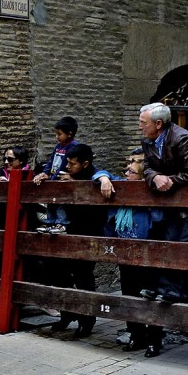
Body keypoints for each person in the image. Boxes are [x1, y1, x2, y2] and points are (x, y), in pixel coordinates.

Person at [137, 102, 188, 304]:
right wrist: (155, 177)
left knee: (183, 245)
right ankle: (163, 288)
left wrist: (170, 181)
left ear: (158, 123)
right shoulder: (148, 140)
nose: (140, 127)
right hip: (169, 204)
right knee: (167, 242)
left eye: (143, 123)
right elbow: (147, 167)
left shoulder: (184, 139)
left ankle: (180, 292)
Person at [101, 150, 167, 357]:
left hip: (147, 254)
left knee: (149, 296)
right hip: (125, 253)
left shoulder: (152, 189)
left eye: (135, 163)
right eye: (129, 162)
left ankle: (154, 339)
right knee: (129, 294)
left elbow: (159, 218)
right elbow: (99, 173)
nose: (129, 167)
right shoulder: (121, 185)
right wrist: (103, 179)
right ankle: (136, 335)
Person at [43, 143, 109, 339]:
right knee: (58, 273)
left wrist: (82, 183)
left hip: (88, 233)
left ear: (85, 164)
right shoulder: (67, 174)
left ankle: (86, 321)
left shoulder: (95, 176)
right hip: (67, 231)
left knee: (83, 276)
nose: (68, 166)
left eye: (72, 164)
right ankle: (67, 313)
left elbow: (104, 178)